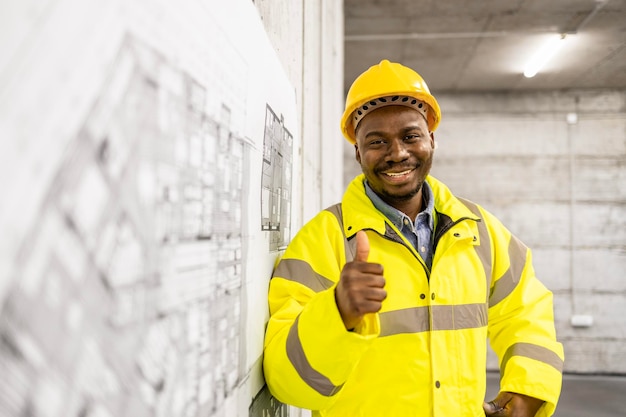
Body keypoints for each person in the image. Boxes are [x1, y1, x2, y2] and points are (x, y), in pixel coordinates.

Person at [263, 59, 564, 417]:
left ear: (431, 140)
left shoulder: (480, 231)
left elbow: (525, 314)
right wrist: (337, 313)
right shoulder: (320, 242)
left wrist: (527, 392)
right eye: (377, 142)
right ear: (358, 152)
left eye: (410, 136)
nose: (398, 153)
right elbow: (285, 382)